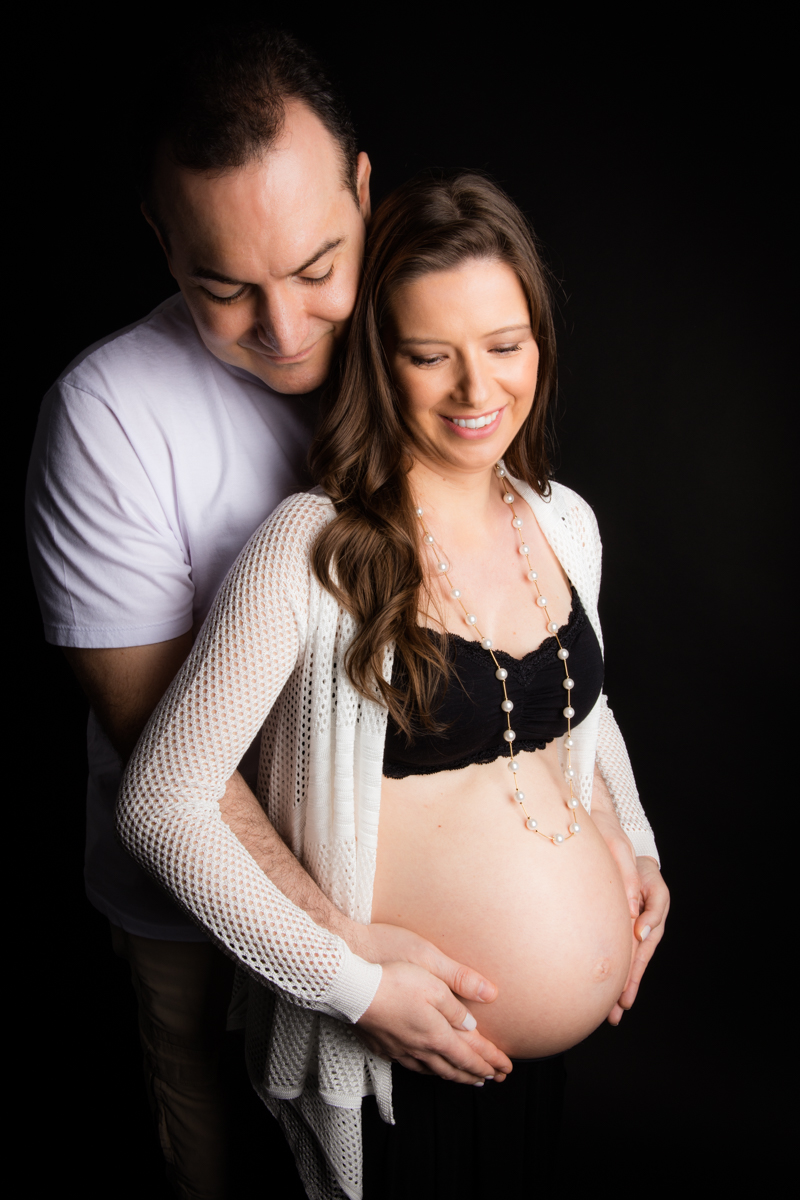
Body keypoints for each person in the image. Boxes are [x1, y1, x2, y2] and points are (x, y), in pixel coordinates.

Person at [118, 172, 670, 1200]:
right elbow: (161, 803)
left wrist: (630, 843)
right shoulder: (313, 551)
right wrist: (354, 986)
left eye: (504, 347)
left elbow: (579, 713)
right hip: (388, 1065)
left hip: (538, 1073)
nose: (476, 391)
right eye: (430, 356)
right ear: (381, 359)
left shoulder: (561, 520)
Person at [25, 25, 503, 1199]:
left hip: (406, 884)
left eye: (315, 269)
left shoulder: (423, 340)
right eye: (221, 285)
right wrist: (338, 954)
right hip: (196, 905)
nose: (283, 332)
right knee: (217, 1148)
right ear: (160, 238)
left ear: (363, 188)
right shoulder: (105, 418)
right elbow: (167, 756)